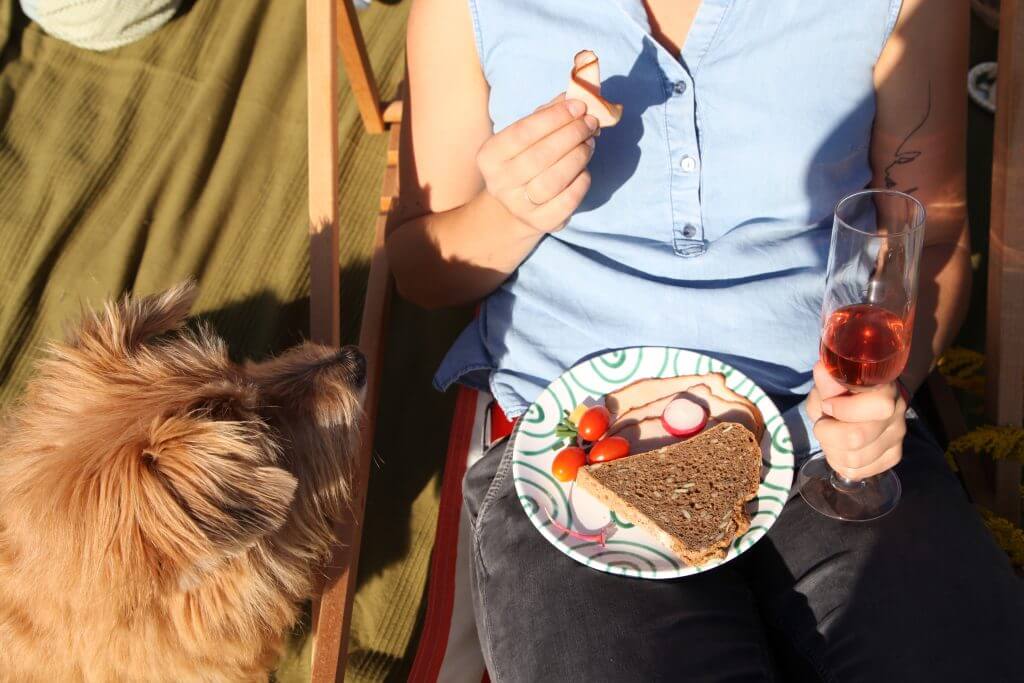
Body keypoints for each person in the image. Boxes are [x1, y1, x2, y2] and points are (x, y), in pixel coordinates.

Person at [387, 0, 1024, 680]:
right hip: (577, 455)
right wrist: (506, 213)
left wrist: (878, 387)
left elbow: (935, 231)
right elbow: (422, 271)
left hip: (825, 430)